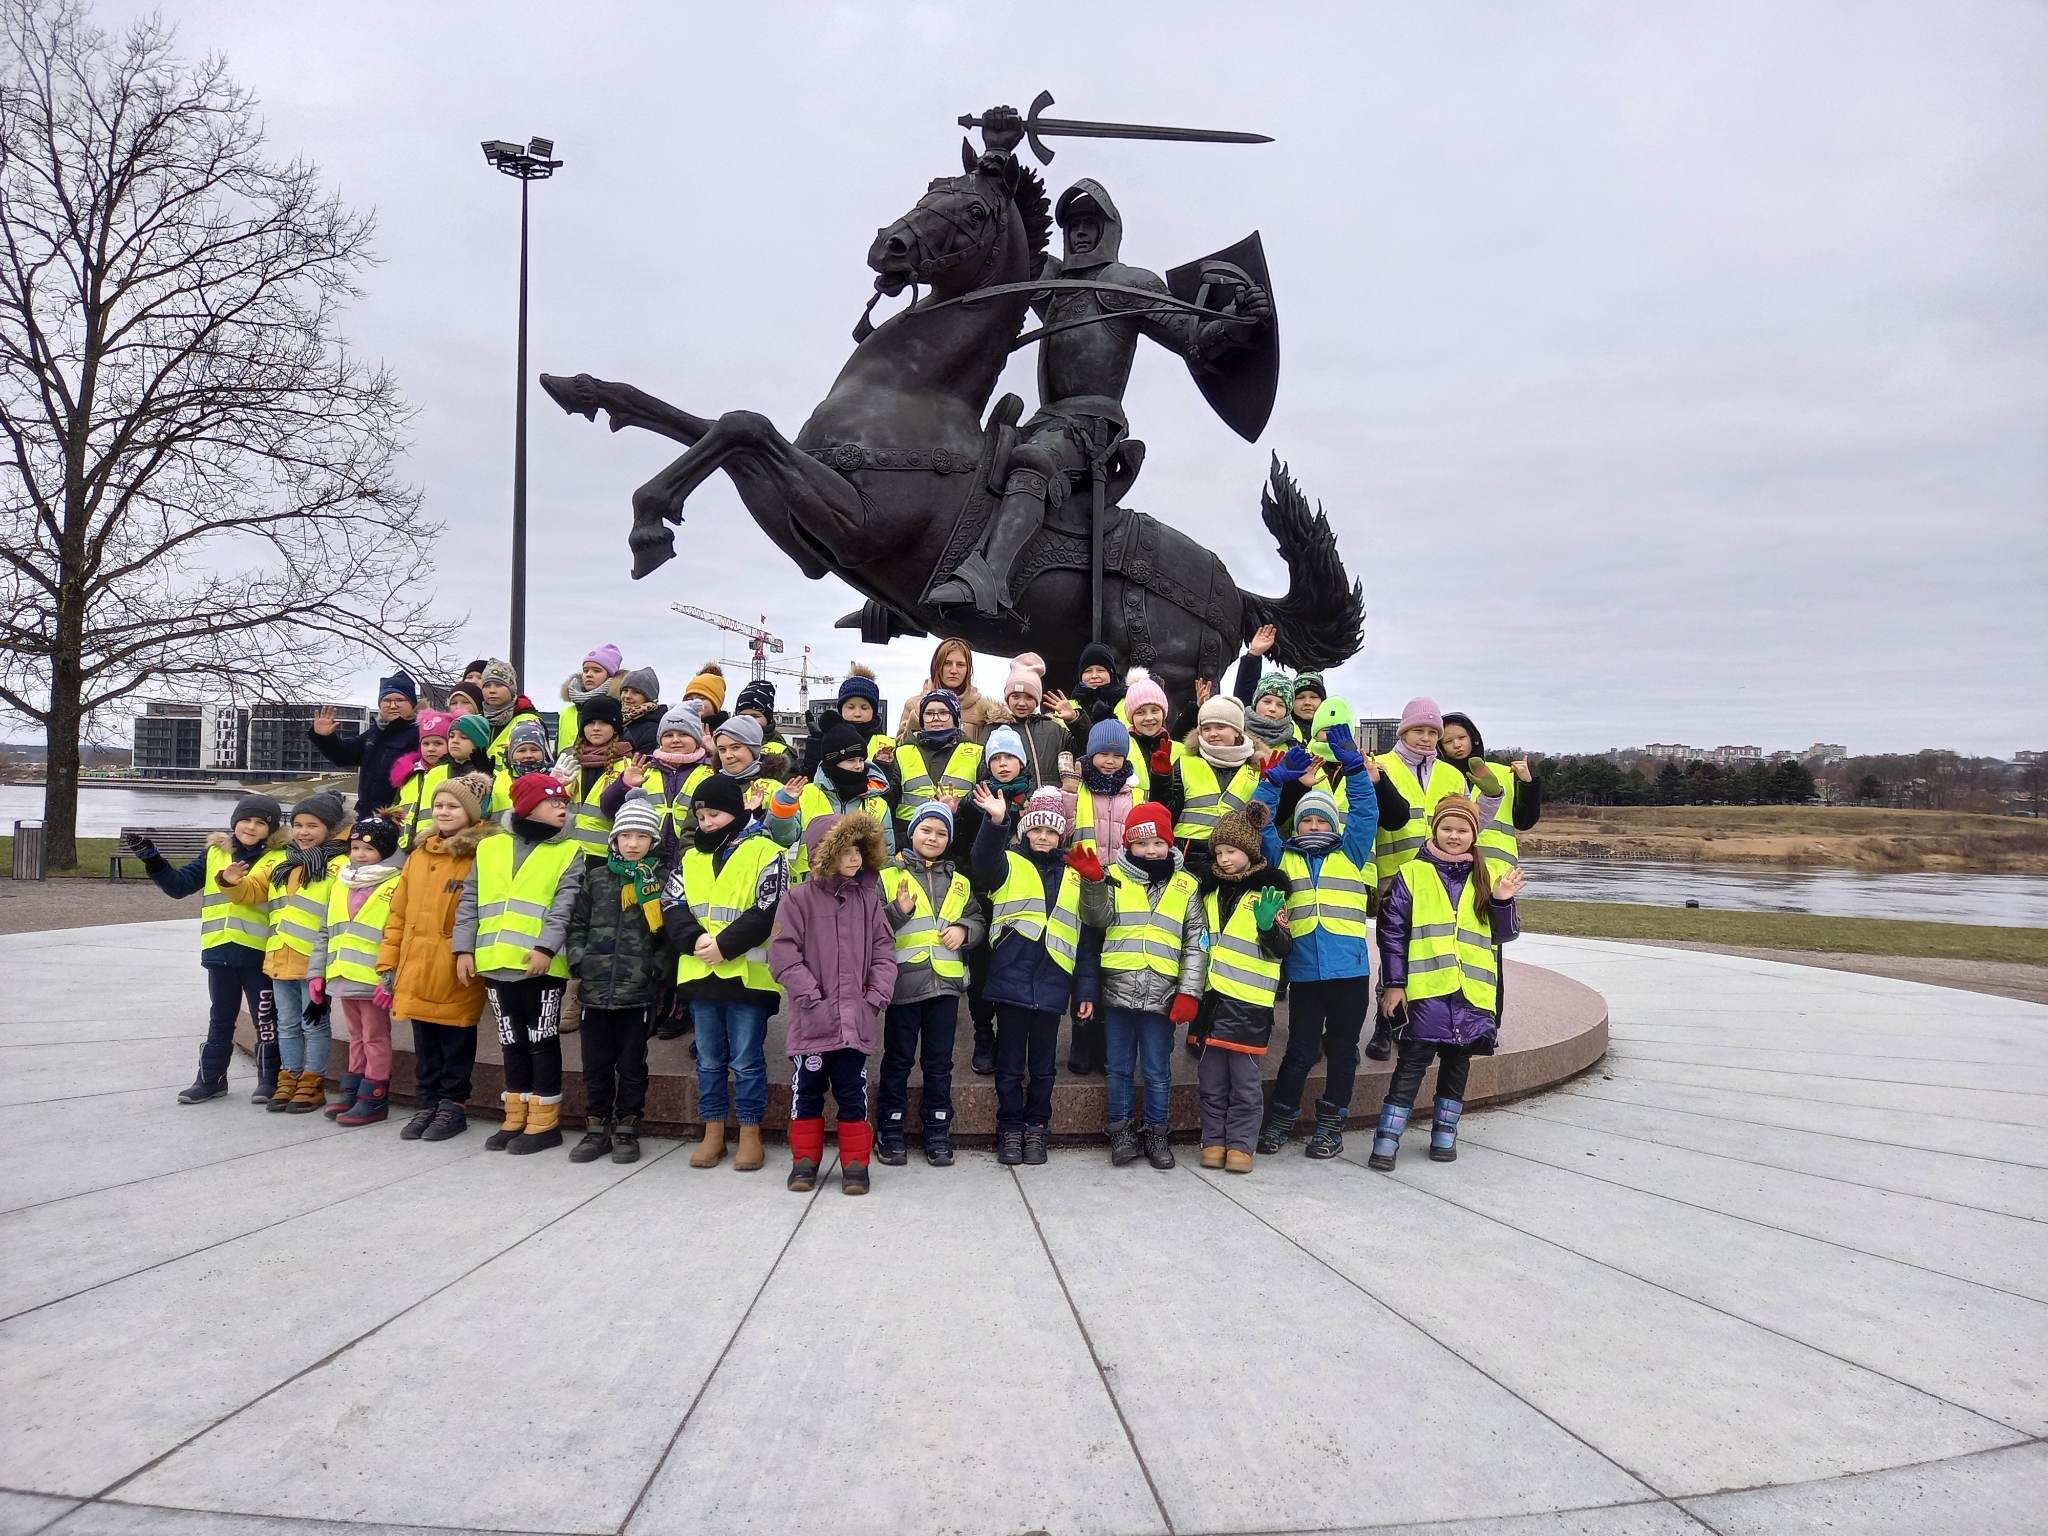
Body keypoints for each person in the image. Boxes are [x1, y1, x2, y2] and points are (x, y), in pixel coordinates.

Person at [1369, 797, 1525, 1170]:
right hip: (1426, 991)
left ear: (1474, 834)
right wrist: (1394, 984)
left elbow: (1504, 934)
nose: (1454, 836)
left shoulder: (1490, 875)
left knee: (1458, 1064)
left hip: (1471, 991)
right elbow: (1391, 934)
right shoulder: (1412, 873)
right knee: (1411, 1063)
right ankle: (1387, 1137)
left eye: (1462, 830)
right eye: (1447, 828)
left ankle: (1445, 1131)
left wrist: (1502, 901)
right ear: (1435, 829)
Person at [1253, 731, 1380, 1158]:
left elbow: (1366, 811)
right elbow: (1258, 820)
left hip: (1350, 974)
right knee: (1301, 1051)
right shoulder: (1283, 856)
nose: (1313, 826)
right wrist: (1273, 781)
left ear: (1334, 825)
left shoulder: (1352, 851)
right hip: (1306, 973)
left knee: (1343, 1051)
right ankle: (1281, 1119)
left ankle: (1330, 1125)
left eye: (1322, 821)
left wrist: (1356, 768)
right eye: (1307, 820)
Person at [454, 773, 584, 1156]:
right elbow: (470, 900)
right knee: (511, 1041)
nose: (561, 808)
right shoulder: (489, 847)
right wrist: (464, 950)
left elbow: (565, 906)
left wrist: (546, 947)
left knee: (542, 1041)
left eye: (564, 802)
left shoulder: (569, 850)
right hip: (495, 962)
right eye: (552, 802)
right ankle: (515, 1115)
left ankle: (544, 1122)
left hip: (541, 966)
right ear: (527, 806)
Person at [1072, 800, 1206, 1169]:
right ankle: (1120, 1131)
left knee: (1157, 1071)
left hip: (1163, 995)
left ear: (1170, 844)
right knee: (1118, 1067)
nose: (1150, 850)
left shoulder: (1187, 885)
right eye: (1142, 843)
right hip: (1117, 990)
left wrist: (1189, 992)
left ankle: (1157, 1132)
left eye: (1158, 843)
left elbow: (1197, 943)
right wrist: (1093, 884)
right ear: (1128, 844)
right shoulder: (1112, 875)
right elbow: (1095, 920)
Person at [126, 795, 285, 1104]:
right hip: (219, 950)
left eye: (260, 823)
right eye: (245, 820)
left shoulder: (279, 858)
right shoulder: (215, 853)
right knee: (220, 1018)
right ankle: (211, 1080)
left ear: (272, 829)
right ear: (234, 822)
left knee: (266, 1019)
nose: (251, 827)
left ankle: (270, 1080)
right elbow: (178, 886)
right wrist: (153, 860)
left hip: (259, 953)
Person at [769, 812, 896, 1196]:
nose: (854, 858)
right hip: (813, 1019)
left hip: (854, 1021)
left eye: (859, 850)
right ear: (824, 854)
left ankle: (855, 1165)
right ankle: (804, 1162)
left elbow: (884, 953)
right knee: (806, 1092)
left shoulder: (868, 902)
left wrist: (873, 999)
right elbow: (783, 954)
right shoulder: (797, 900)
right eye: (845, 851)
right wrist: (809, 994)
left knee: (852, 1092)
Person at [665, 773, 787, 1171]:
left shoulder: (767, 852)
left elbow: (770, 907)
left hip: (747, 978)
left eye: (714, 815)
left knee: (747, 1060)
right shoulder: (690, 857)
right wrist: (695, 939)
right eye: (701, 817)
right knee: (708, 1060)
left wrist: (725, 945)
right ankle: (713, 1131)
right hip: (701, 975)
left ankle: (750, 1133)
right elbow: (672, 904)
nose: (706, 823)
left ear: (735, 811)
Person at [970, 784, 1090, 1166]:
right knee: (1009, 1065)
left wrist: (1085, 990)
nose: (1042, 836)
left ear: (1061, 835)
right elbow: (982, 863)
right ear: (1025, 830)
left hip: (1054, 981)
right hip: (1011, 979)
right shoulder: (1008, 862)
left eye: (1051, 830)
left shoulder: (1075, 874)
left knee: (1043, 1067)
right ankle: (1009, 1126)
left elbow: (1085, 938)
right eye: (1036, 828)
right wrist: (996, 823)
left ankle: (1037, 1125)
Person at [378, 778, 492, 1142]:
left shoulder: (481, 854)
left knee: (456, 1037)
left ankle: (452, 1105)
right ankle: (426, 1103)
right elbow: (398, 913)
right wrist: (388, 962)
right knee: (425, 1040)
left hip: (454, 963)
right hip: (415, 961)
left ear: (470, 813)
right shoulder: (419, 855)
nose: (443, 812)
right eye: (439, 805)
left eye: (453, 806)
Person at [875, 801, 984, 1166]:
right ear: (912, 833)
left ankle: (938, 1128)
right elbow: (871, 926)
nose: (933, 838)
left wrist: (964, 930)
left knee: (939, 1063)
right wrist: (897, 911)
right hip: (903, 986)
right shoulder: (888, 876)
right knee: (898, 1060)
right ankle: (890, 1126)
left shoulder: (960, 882)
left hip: (946, 988)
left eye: (941, 833)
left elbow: (977, 919)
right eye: (926, 830)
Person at [563, 792, 669, 1165]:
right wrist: (580, 961)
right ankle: (596, 1126)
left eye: (641, 836)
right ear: (614, 839)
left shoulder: (660, 881)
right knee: (595, 1063)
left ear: (653, 841)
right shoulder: (597, 878)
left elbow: (668, 935)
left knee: (631, 1064)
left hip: (638, 991)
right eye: (626, 836)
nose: (633, 843)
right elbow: (577, 924)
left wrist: (656, 968)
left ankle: (627, 1125)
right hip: (595, 988)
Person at [1368, 696, 1468, 1060]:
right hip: (1395, 876)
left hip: (1441, 880)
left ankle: (1419, 1024)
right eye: (1418, 730)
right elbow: (1367, 823)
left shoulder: (1452, 775)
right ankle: (1385, 1026)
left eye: (1432, 732)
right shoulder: (1381, 766)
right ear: (1403, 732)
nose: (1426, 738)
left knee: (1428, 951)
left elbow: (1466, 825)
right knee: (1394, 950)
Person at [1194, 804, 1293, 1172]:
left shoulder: (1268, 894)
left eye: (1232, 851)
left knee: (1245, 1085)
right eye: (1219, 852)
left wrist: (1269, 927)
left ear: (1250, 852)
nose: (1224, 859)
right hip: (1212, 1005)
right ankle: (1213, 1140)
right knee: (1211, 1082)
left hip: (1249, 1007)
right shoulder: (1208, 893)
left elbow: (1282, 949)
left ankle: (1241, 1145)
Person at [308, 814, 406, 1128]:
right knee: (356, 1036)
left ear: (384, 851)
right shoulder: (342, 882)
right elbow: (325, 931)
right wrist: (317, 973)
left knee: (375, 1037)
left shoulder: (396, 883)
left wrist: (389, 979)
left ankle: (374, 1096)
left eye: (369, 848)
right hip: (343, 975)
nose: (360, 854)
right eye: (355, 848)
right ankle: (353, 1088)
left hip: (373, 979)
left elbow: (398, 934)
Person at [951, 723, 1035, 1073]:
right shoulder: (973, 803)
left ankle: (1010, 1035)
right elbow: (958, 853)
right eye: (996, 758)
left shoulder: (1035, 800)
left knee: (1016, 969)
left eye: (1009, 757)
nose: (1002, 764)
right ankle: (984, 1033)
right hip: (982, 900)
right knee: (981, 972)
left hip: (1022, 903)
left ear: (1022, 762)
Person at [260, 791, 349, 1114]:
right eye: (298, 825)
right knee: (286, 1023)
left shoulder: (339, 866)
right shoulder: (287, 863)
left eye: (312, 825)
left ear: (330, 828)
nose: (303, 832)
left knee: (314, 1025)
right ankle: (290, 1076)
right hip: (280, 956)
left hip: (313, 961)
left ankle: (313, 1081)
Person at [1065, 713, 1137, 1076]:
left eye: (1117, 755)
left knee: (1113, 966)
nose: (1110, 761)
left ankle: (1108, 1044)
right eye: (1103, 754)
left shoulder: (1135, 792)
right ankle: (1082, 1039)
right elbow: (1064, 830)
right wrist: (1067, 791)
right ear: (1090, 754)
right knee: (1085, 962)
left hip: (1122, 889)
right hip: (1082, 885)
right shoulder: (1077, 788)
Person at [767, 714, 895, 880]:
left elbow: (885, 858)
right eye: (851, 760)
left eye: (861, 760)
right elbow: (781, 838)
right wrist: (784, 805)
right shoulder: (807, 794)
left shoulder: (878, 804)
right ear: (832, 761)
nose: (858, 766)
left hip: (859, 890)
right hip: (811, 887)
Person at [1156, 695, 1259, 886]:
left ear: (1237, 731)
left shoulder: (1256, 770)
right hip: (1188, 856)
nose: (1213, 734)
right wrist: (1160, 778)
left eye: (1220, 727)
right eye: (1206, 728)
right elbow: (1166, 812)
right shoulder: (1185, 763)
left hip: (1236, 859)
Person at [604, 705, 715, 862]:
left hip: (692, 858)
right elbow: (608, 810)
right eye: (668, 735)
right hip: (648, 863)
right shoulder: (644, 767)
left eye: (683, 734)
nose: (675, 740)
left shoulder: (711, 770)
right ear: (660, 740)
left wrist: (716, 755)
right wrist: (624, 784)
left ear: (697, 739)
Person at [308, 671, 420, 818]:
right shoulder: (376, 732)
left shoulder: (420, 733)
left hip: (400, 818)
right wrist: (324, 737)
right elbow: (343, 756)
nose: (393, 705)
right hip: (367, 816)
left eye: (400, 700)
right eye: (386, 700)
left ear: (412, 704)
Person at [551, 693, 631, 857]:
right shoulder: (570, 762)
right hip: (567, 852)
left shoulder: (627, 766)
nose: (595, 728)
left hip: (606, 856)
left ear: (615, 728)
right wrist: (552, 786)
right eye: (590, 722)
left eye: (603, 723)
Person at [892, 689, 983, 828]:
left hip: (961, 835)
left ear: (955, 718)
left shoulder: (977, 753)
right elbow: (888, 801)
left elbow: (982, 803)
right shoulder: (901, 752)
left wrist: (958, 810)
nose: (936, 718)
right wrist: (883, 767)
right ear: (922, 719)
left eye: (943, 713)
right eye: (929, 713)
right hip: (908, 836)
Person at [993, 653, 1072, 800]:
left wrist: (1075, 720)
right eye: (1016, 696)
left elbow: (1085, 748)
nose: (1022, 703)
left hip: (1052, 806)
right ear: (1007, 698)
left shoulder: (1053, 728)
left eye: (1029, 697)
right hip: (1014, 808)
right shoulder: (994, 730)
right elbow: (985, 774)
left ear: (1037, 700)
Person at [893, 636, 1000, 743]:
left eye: (960, 665)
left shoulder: (983, 710)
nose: (953, 670)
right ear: (936, 666)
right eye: (947, 663)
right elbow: (899, 747)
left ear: (968, 669)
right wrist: (917, 718)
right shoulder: (914, 704)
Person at [388, 710, 454, 850]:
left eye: (438, 743)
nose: (431, 749)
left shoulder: (453, 771)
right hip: (403, 846)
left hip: (438, 845)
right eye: (426, 744)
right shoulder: (409, 775)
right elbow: (395, 808)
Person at [556, 643, 624, 756]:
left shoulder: (620, 709)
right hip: (567, 765)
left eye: (596, 671)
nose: (589, 675)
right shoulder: (567, 712)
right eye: (585, 670)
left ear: (610, 675)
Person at [474, 658, 544, 768]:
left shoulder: (529, 720)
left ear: (511, 688)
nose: (492, 690)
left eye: (498, 685)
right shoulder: (476, 721)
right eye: (487, 685)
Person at [616, 666, 665, 756]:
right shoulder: (615, 719)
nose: (627, 696)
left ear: (648, 697)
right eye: (625, 690)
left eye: (636, 692)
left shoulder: (653, 728)